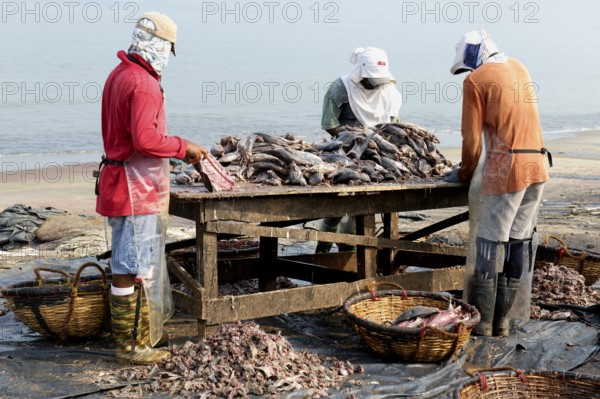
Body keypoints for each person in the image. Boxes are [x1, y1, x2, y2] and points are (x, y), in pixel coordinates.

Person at [95, 11, 208, 364]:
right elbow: (145, 139)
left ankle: (137, 340)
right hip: (135, 188)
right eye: (169, 49)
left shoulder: (119, 74)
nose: (168, 58)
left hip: (121, 181)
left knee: (127, 262)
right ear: (160, 45)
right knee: (133, 266)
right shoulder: (142, 83)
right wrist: (182, 146)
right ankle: (132, 346)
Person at [445, 30, 551, 336]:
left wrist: (463, 174)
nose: (468, 72)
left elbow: (470, 140)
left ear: (472, 58)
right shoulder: (519, 67)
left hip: (508, 168)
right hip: (538, 165)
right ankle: (503, 323)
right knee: (517, 241)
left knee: (489, 245)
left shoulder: (474, 82)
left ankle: (484, 325)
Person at [316, 47, 402, 253]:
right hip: (342, 152)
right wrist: (352, 138)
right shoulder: (340, 88)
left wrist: (375, 146)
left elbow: (392, 127)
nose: (375, 84)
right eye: (371, 79)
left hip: (377, 157)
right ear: (360, 72)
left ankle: (348, 253)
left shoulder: (389, 91)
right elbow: (329, 123)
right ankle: (323, 249)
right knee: (335, 208)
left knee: (360, 210)